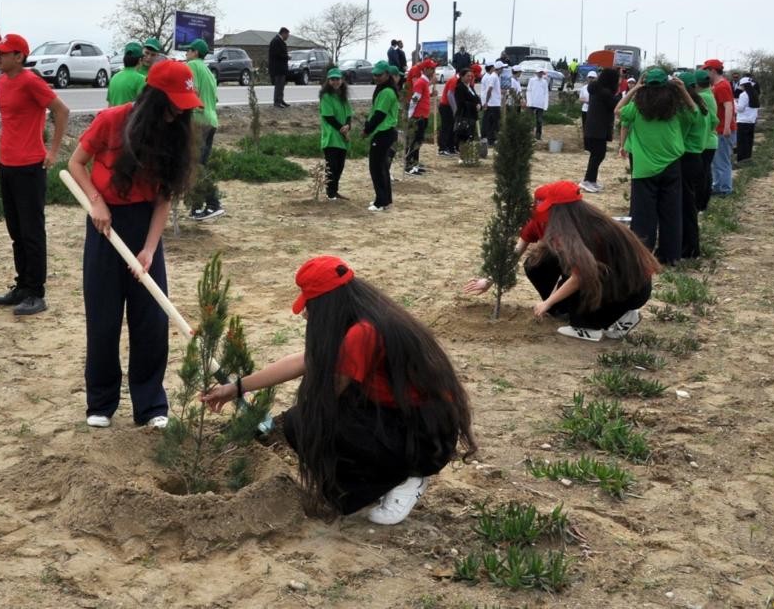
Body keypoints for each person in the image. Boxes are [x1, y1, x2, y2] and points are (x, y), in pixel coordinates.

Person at [201, 256, 477, 523]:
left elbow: (327, 395)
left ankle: (407, 477)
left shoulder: (364, 333)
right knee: (308, 418)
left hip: (424, 436)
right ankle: (384, 479)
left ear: (327, 303)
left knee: (308, 421)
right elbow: (303, 360)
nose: (306, 313)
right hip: (408, 420)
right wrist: (235, 388)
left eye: (310, 305)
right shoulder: (365, 313)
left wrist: (281, 425)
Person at [68, 60, 200, 429]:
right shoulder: (111, 120)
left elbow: (164, 198)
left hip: (145, 227)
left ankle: (151, 405)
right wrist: (96, 201)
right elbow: (76, 164)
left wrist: (149, 249)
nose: (179, 112)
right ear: (154, 99)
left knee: (151, 320)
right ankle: (101, 402)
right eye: (174, 103)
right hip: (104, 225)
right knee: (104, 318)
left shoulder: (174, 135)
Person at [464, 181, 659, 342]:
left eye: (543, 206)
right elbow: (516, 250)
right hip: (597, 276)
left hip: (629, 287)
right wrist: (489, 279)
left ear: (560, 210)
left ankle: (602, 322)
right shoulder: (543, 222)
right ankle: (568, 310)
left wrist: (547, 303)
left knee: (585, 320)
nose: (538, 210)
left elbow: (580, 277)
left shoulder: (590, 232)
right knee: (537, 262)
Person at [0, 33, 71, 316]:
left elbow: (62, 111)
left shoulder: (31, 81)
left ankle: (36, 292)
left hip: (30, 167)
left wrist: (54, 151)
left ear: (19, 57)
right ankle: (22, 286)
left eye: (3, 52)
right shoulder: (2, 81)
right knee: (16, 231)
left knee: (32, 231)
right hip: (7, 164)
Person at [615, 69, 696, 265]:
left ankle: (642, 256)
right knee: (671, 213)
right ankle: (671, 256)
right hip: (671, 166)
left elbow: (617, 110)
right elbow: (695, 112)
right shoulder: (675, 107)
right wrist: (683, 90)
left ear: (645, 85)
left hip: (643, 168)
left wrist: (634, 89)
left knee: (643, 216)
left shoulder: (637, 107)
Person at [185, 38, 224, 220]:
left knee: (197, 165)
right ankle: (197, 207)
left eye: (189, 50)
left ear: (196, 53)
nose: (186, 54)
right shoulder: (209, 72)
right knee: (199, 164)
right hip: (211, 120)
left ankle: (213, 203)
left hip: (198, 120)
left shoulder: (192, 66)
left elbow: (194, 93)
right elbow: (214, 99)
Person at [677, 71, 712, 259]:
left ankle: (689, 248)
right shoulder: (702, 104)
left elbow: (678, 135)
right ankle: (691, 246)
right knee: (689, 204)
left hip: (686, 158)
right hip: (696, 156)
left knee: (686, 206)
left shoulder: (689, 110)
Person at [362, 62, 399, 212]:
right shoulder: (383, 89)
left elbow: (379, 114)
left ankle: (380, 202)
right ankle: (386, 199)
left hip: (383, 132)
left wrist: (367, 130)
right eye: (375, 74)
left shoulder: (387, 92)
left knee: (376, 167)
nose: (376, 77)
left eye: (379, 75)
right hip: (384, 132)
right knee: (382, 166)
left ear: (387, 75)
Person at [579, 67, 620, 193]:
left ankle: (592, 180)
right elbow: (615, 104)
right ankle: (587, 180)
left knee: (597, 155)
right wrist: (624, 94)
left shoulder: (596, 90)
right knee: (598, 155)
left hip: (594, 128)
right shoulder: (604, 93)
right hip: (597, 129)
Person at [318, 67, 353, 199]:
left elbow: (349, 114)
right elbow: (328, 116)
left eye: (337, 79)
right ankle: (330, 193)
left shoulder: (342, 96)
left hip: (342, 138)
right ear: (328, 80)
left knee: (340, 166)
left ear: (342, 80)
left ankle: (335, 191)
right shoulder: (326, 96)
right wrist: (342, 128)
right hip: (331, 136)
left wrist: (348, 126)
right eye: (332, 79)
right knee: (332, 166)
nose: (335, 82)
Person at [703, 59, 736, 196]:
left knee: (721, 160)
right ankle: (719, 186)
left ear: (713, 70)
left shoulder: (722, 86)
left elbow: (728, 106)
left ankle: (724, 189)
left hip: (723, 129)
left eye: (706, 70)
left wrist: (727, 126)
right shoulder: (719, 85)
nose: (705, 73)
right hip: (720, 128)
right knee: (717, 161)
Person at [693, 72, 719, 212]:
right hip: (710, 141)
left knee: (701, 175)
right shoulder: (709, 93)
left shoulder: (702, 97)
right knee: (705, 173)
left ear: (696, 84)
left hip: (705, 141)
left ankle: (700, 204)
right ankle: (702, 203)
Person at [404, 62, 433, 175]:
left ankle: (415, 163)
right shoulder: (421, 82)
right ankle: (409, 165)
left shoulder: (424, 82)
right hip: (417, 116)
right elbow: (415, 99)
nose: (433, 71)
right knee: (414, 141)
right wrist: (410, 115)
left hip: (423, 116)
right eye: (431, 69)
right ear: (425, 69)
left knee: (419, 141)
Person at [106, 42, 146, 106]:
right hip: (130, 116)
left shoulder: (114, 78)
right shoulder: (141, 79)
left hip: (114, 115)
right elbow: (144, 106)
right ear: (139, 60)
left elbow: (109, 106)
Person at [454, 66, 481, 158]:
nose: (469, 78)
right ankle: (462, 154)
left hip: (472, 115)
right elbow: (461, 102)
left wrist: (479, 104)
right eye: (467, 76)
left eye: (471, 76)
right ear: (462, 76)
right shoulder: (459, 87)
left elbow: (476, 98)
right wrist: (474, 105)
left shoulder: (470, 87)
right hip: (464, 115)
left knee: (470, 135)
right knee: (463, 135)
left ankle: (468, 154)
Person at [436, 66, 461, 157]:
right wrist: (455, 109)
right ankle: (442, 148)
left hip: (450, 107)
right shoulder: (454, 80)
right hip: (446, 106)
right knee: (446, 127)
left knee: (452, 128)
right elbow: (450, 95)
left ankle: (451, 147)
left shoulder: (459, 82)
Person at [735, 76, 760, 163]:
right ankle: (748, 158)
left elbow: (740, 109)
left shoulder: (743, 95)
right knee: (749, 141)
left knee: (741, 142)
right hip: (751, 121)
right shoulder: (755, 94)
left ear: (744, 85)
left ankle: (741, 160)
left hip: (742, 121)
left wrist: (734, 103)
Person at [479, 61, 503, 145]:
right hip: (491, 103)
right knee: (490, 122)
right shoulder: (491, 77)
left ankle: (489, 138)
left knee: (490, 121)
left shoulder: (492, 76)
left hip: (492, 102)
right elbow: (488, 90)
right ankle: (489, 139)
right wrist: (486, 102)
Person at [269, 27, 290, 108]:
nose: (288, 37)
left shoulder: (280, 41)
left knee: (281, 85)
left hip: (282, 68)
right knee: (279, 85)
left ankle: (281, 100)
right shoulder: (276, 41)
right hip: (278, 68)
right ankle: (277, 102)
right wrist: (287, 57)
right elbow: (277, 54)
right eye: (287, 35)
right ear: (283, 33)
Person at [526, 69, 550, 140]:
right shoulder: (532, 80)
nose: (540, 74)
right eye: (539, 72)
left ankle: (538, 136)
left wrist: (545, 105)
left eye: (541, 73)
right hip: (532, 103)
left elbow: (546, 93)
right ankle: (529, 135)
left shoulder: (544, 82)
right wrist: (529, 102)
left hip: (540, 104)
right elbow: (528, 91)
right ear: (536, 73)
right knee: (529, 120)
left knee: (539, 120)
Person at [577, 70, 597, 135]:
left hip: (594, 110)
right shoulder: (584, 88)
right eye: (590, 77)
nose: (591, 79)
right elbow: (580, 98)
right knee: (585, 126)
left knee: (593, 126)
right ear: (587, 78)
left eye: (593, 78)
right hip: (585, 110)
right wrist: (587, 101)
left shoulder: (599, 88)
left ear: (596, 78)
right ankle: (586, 140)